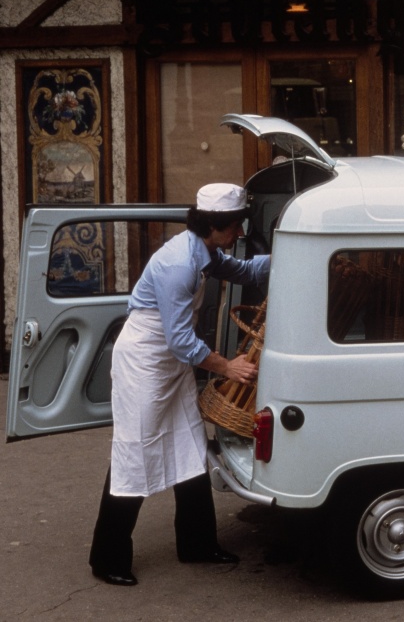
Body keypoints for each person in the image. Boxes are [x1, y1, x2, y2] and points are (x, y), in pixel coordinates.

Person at [89, 183, 271, 586]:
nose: (239, 233)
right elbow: (180, 340)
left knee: (190, 447)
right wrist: (228, 368)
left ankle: (196, 544)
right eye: (235, 226)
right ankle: (107, 558)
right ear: (214, 225)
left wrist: (292, 256)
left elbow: (244, 270)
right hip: (146, 362)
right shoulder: (180, 264)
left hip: (170, 362)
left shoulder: (203, 250)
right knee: (134, 455)